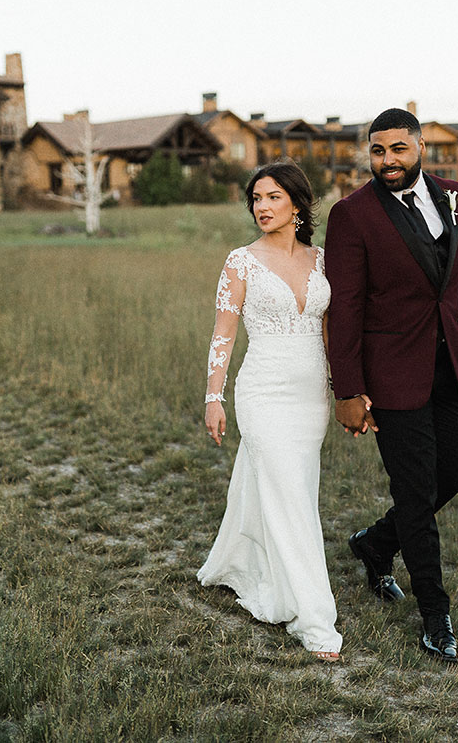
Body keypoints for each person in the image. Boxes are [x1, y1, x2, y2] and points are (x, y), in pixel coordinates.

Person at [325, 108, 458, 663]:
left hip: (450, 366)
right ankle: (435, 613)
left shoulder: (456, 197)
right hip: (390, 375)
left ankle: (374, 544)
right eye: (378, 152)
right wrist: (347, 388)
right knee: (415, 493)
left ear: (421, 146)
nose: (388, 161)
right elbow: (345, 306)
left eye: (398, 149)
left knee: (451, 475)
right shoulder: (351, 215)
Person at [197, 160, 343, 662]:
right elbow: (224, 333)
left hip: (311, 396)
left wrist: (344, 389)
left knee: (295, 486)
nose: (262, 207)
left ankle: (236, 560)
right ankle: (313, 617)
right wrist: (213, 397)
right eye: (256, 199)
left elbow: (330, 332)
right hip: (262, 390)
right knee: (288, 492)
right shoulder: (241, 262)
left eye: (273, 197)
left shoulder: (323, 260)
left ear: (297, 204)